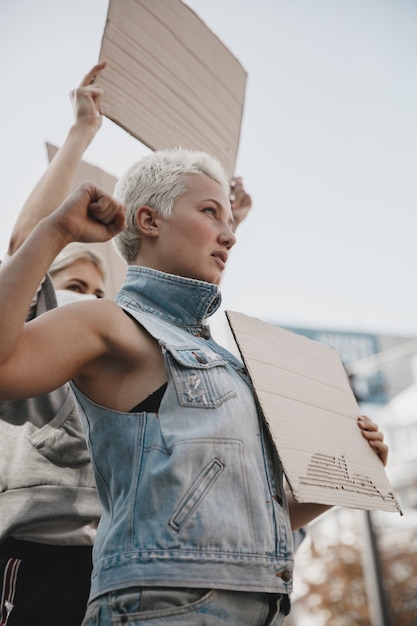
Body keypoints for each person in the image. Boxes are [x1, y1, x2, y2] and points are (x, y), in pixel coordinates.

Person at [0, 149, 388, 625]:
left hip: (261, 607)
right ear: (148, 220)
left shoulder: (231, 362)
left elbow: (246, 520)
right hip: (161, 609)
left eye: (230, 219)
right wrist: (56, 230)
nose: (229, 235)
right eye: (210, 212)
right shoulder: (109, 321)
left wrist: (349, 475)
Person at [0, 63, 108, 626]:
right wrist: (82, 131)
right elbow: (26, 247)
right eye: (74, 285)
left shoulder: (110, 356)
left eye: (99, 290)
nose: (88, 298)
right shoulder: (31, 346)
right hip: (34, 561)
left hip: (112, 570)